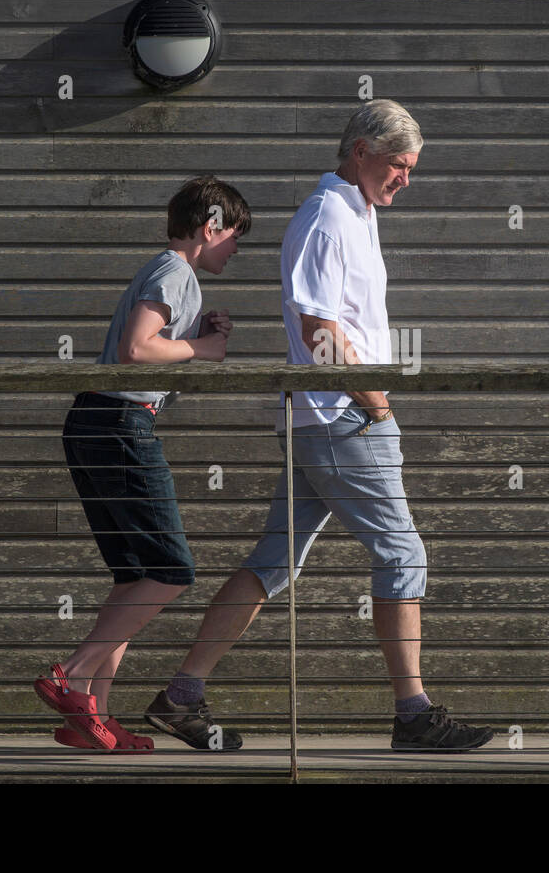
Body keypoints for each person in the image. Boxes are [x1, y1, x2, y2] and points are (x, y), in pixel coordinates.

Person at [143, 100, 494, 752]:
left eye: (411, 169)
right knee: (402, 553)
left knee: (273, 562)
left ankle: (181, 694)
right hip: (343, 419)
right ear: (361, 150)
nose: (405, 180)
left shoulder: (357, 213)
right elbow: (318, 329)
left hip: (328, 418)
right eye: (398, 165)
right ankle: (413, 714)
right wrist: (376, 401)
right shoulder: (328, 217)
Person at [34, 176, 249, 751]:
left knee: (135, 579)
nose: (236, 249)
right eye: (234, 236)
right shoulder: (176, 271)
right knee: (172, 571)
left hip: (98, 422)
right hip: (121, 425)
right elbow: (136, 350)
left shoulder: (168, 273)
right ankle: (72, 676)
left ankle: (92, 717)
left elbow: (149, 341)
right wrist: (203, 348)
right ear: (210, 228)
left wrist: (191, 332)